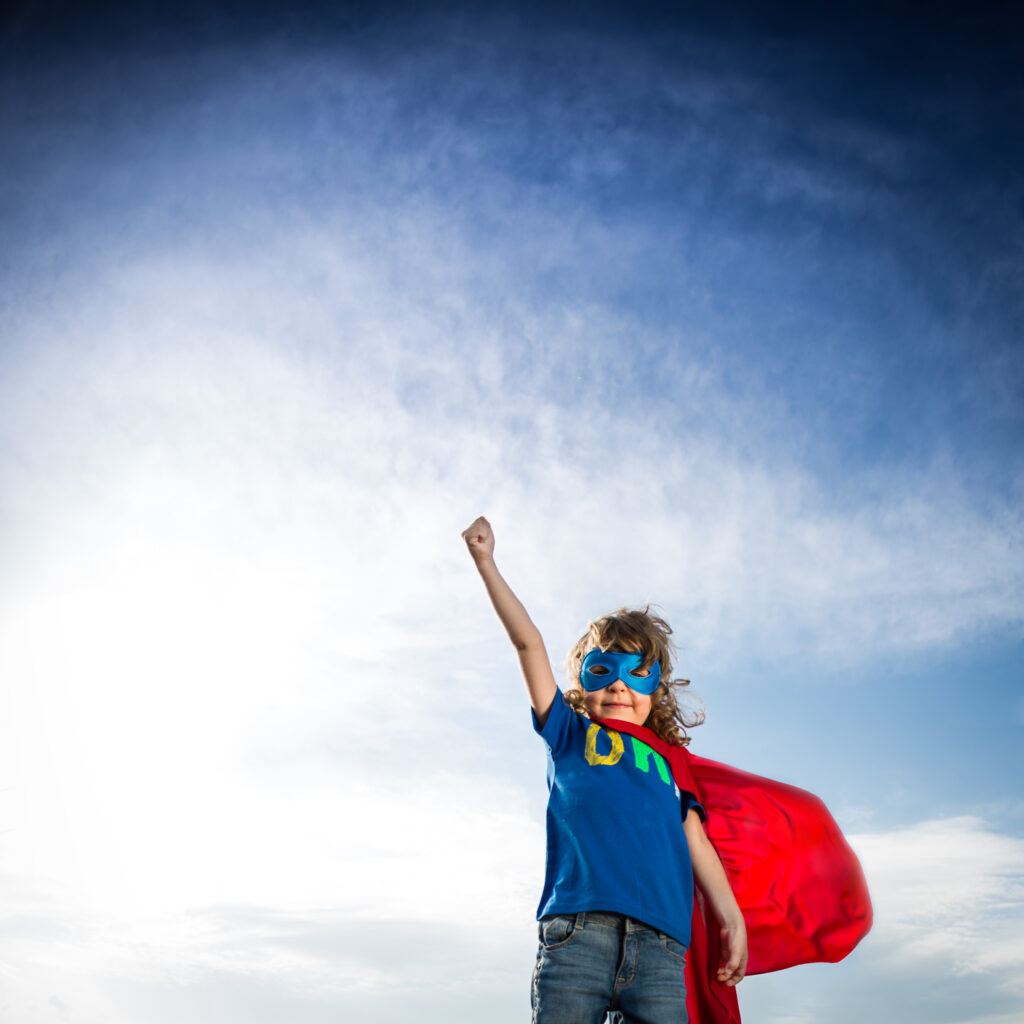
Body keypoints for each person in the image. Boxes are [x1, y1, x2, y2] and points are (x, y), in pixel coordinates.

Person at [462, 515, 747, 1024]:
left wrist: (731, 918)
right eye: (604, 670)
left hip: (660, 947)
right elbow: (528, 644)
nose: (619, 687)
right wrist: (487, 562)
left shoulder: (670, 762)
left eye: (637, 674)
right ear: (583, 681)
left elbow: (696, 842)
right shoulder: (569, 733)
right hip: (577, 937)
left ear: (656, 690)